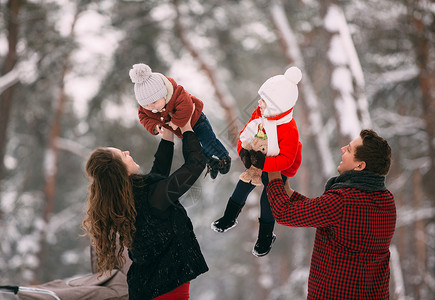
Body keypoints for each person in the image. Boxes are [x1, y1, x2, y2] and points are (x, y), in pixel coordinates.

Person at [82, 112, 208, 300]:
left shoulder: (133, 197)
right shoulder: (149, 197)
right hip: (165, 292)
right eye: (123, 155)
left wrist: (167, 135)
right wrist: (187, 128)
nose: (128, 153)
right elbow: (196, 164)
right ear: (120, 171)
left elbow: (158, 174)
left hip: (150, 288)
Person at [266, 129, 396, 299]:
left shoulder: (342, 201)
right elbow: (321, 213)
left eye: (349, 150)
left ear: (360, 166)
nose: (342, 149)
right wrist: (287, 191)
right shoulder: (387, 201)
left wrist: (272, 172)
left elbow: (284, 213)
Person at [211, 67, 303, 257]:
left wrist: (263, 164)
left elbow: (286, 160)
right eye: (260, 98)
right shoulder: (260, 114)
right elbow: (246, 134)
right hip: (259, 158)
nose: (259, 103)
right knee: (243, 184)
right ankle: (229, 218)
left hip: (278, 166)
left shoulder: (289, 129)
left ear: (278, 106)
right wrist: (243, 153)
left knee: (268, 196)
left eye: (264, 101)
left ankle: (266, 236)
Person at [129, 63, 231, 179]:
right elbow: (143, 117)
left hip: (197, 121)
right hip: (182, 132)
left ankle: (224, 157)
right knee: (194, 151)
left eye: (154, 102)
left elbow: (187, 106)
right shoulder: (146, 109)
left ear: (163, 93)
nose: (151, 107)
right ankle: (213, 163)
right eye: (146, 105)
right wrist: (154, 126)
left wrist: (176, 122)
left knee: (208, 142)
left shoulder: (177, 93)